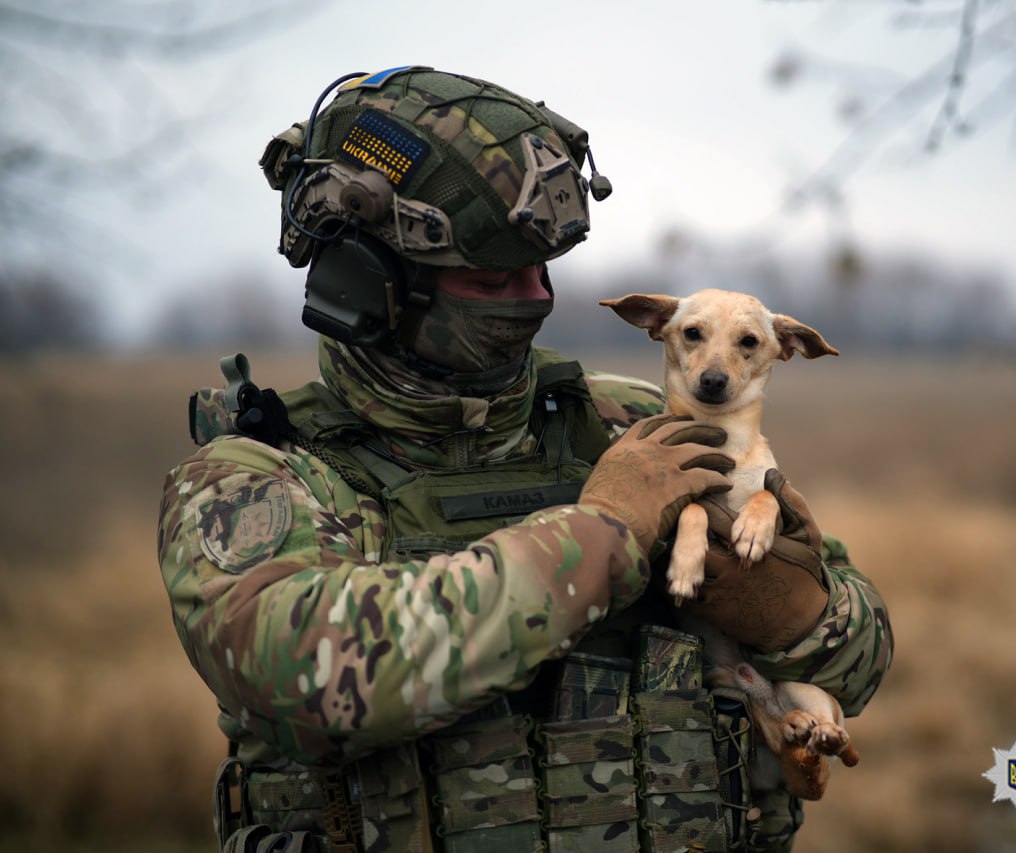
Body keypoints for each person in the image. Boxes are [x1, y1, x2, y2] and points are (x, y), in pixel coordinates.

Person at [158, 66, 892, 853]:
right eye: (492, 276)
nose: (532, 296)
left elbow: (863, 648)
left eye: (541, 269)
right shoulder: (257, 476)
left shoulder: (633, 422)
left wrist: (795, 614)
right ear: (367, 281)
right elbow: (308, 678)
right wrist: (600, 536)